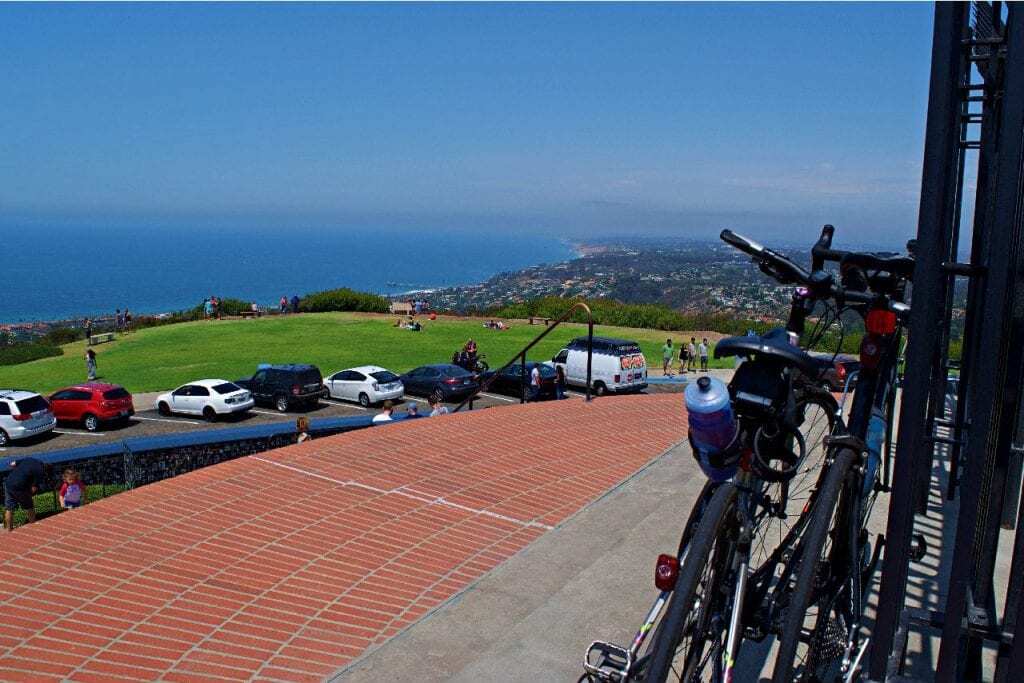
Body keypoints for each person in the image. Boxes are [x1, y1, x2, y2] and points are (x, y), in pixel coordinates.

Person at [4, 457, 46, 531]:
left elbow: (12, 464)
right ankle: (33, 526)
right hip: (20, 487)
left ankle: (9, 530)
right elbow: (34, 489)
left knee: (9, 508)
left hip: (9, 483)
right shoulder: (41, 471)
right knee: (29, 506)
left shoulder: (29, 459)